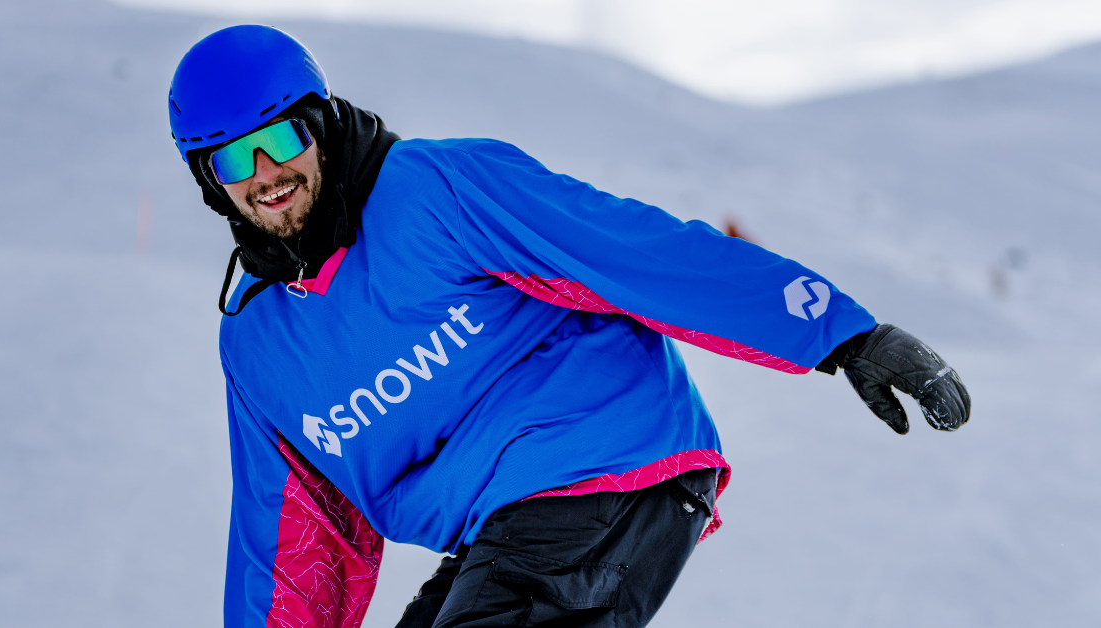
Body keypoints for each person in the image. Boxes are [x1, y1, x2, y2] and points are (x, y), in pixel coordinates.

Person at [167, 25, 971, 628]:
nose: (265, 174)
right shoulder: (258, 343)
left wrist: (840, 334)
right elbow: (290, 539)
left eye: (280, 139)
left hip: (603, 461)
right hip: (503, 529)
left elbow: (626, 250)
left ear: (319, 123)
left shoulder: (432, 189)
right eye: (233, 160)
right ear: (210, 182)